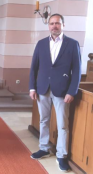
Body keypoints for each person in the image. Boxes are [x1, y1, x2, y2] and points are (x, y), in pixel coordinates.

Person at [29, 14, 81, 172]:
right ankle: (44, 148)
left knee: (62, 125)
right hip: (42, 88)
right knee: (44, 120)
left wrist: (72, 91)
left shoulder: (72, 44)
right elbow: (34, 68)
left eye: (57, 23)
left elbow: (77, 70)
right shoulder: (41, 44)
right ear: (48, 26)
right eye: (51, 23)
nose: (54, 26)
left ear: (63, 25)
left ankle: (61, 155)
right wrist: (32, 87)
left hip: (62, 90)